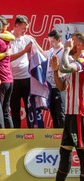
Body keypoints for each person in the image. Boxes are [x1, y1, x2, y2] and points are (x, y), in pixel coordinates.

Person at [53, 32, 84, 181]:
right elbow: (61, 87)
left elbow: (65, 67)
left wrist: (65, 49)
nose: (68, 43)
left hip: (80, 114)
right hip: (70, 115)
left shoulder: (82, 61)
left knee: (82, 155)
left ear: (79, 45)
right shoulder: (72, 60)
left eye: (71, 41)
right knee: (64, 153)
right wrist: (54, 70)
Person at [10, 15, 37, 128]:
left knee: (29, 107)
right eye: (24, 28)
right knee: (14, 109)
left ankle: (32, 133)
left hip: (26, 78)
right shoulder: (8, 38)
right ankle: (16, 134)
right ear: (17, 25)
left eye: (27, 28)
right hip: (12, 79)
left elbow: (40, 53)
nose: (26, 31)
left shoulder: (28, 38)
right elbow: (9, 58)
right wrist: (25, 51)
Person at [45, 29, 65, 128]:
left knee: (60, 112)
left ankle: (64, 135)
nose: (51, 44)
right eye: (50, 41)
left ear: (59, 40)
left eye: (53, 41)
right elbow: (42, 53)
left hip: (59, 86)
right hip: (50, 87)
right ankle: (57, 134)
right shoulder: (52, 51)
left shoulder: (64, 51)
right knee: (53, 112)